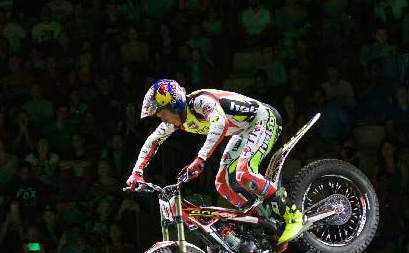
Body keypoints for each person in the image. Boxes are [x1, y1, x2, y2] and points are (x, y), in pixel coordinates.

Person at [126, 79, 304, 244]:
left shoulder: (201, 102)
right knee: (222, 183)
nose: (159, 117)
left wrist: (200, 159)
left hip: (263, 120)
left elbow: (220, 124)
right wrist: (136, 172)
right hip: (243, 131)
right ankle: (261, 222)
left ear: (174, 105)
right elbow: (152, 141)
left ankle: (294, 215)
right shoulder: (175, 121)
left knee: (243, 173)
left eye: (160, 111)